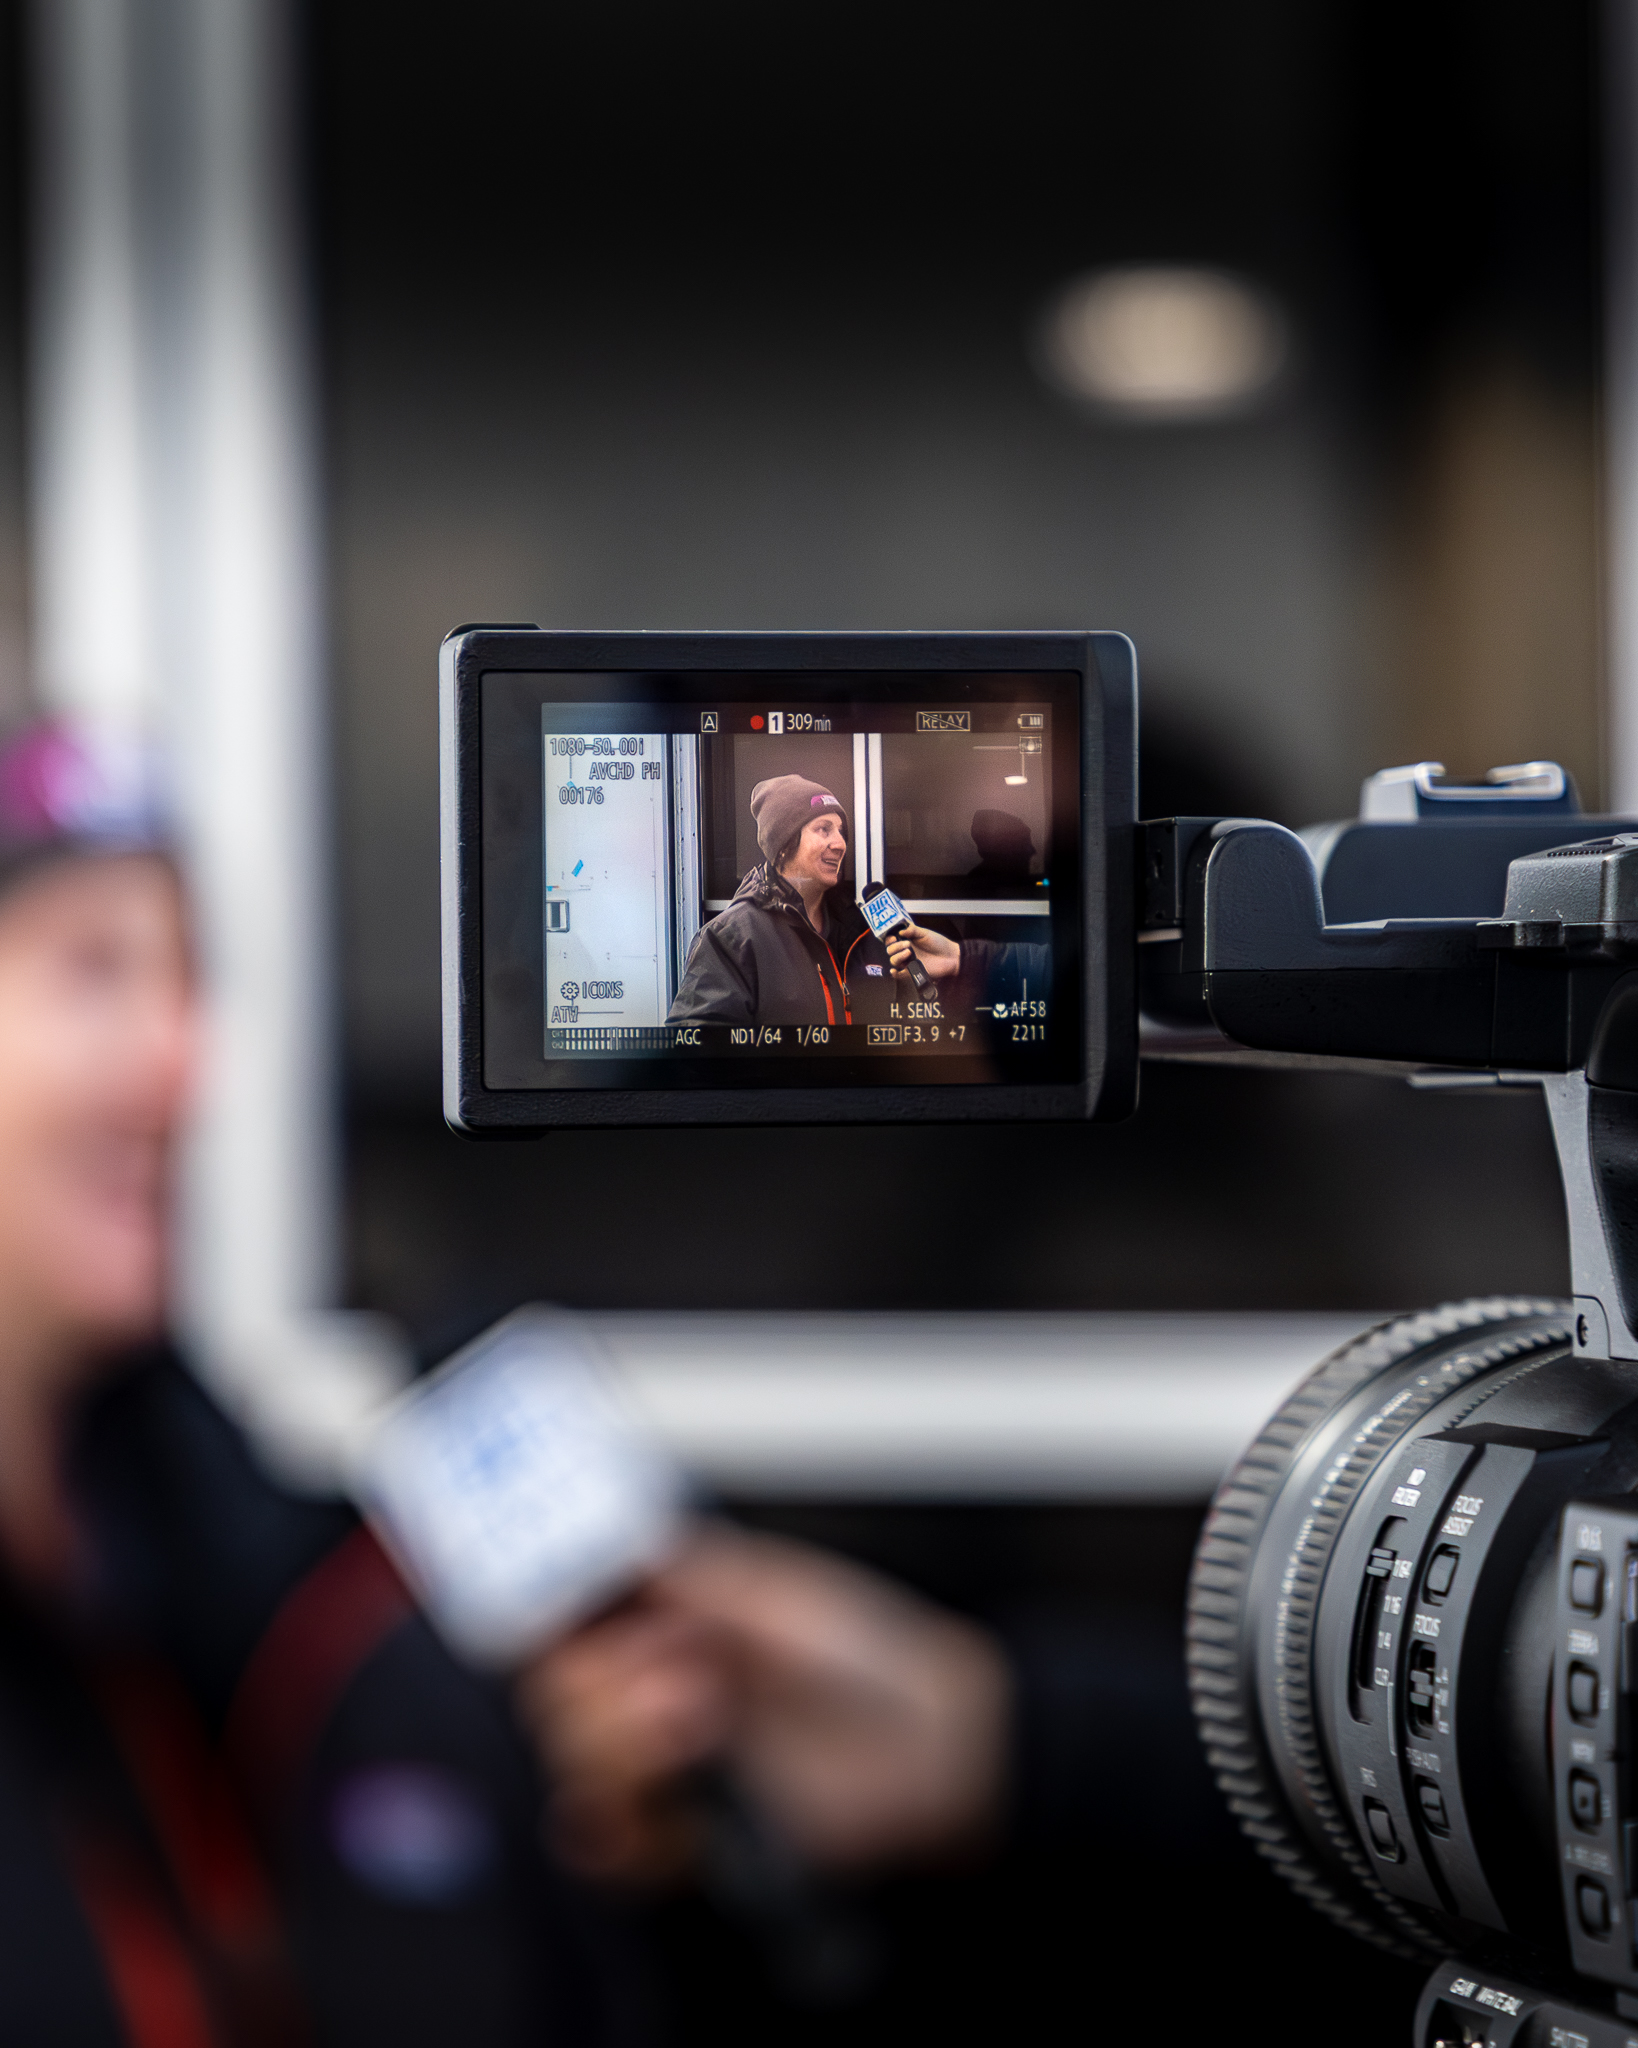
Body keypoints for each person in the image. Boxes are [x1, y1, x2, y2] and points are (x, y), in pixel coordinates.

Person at [0, 719, 1009, 2045]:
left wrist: (651, 1865)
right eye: (93, 972)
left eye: (188, 978)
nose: (180, 1060)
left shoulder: (268, 1578)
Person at [668, 776, 903, 1027]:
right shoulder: (731, 938)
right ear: (784, 844)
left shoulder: (864, 931)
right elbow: (695, 1043)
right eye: (824, 829)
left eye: (841, 831)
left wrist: (920, 983)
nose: (841, 844)